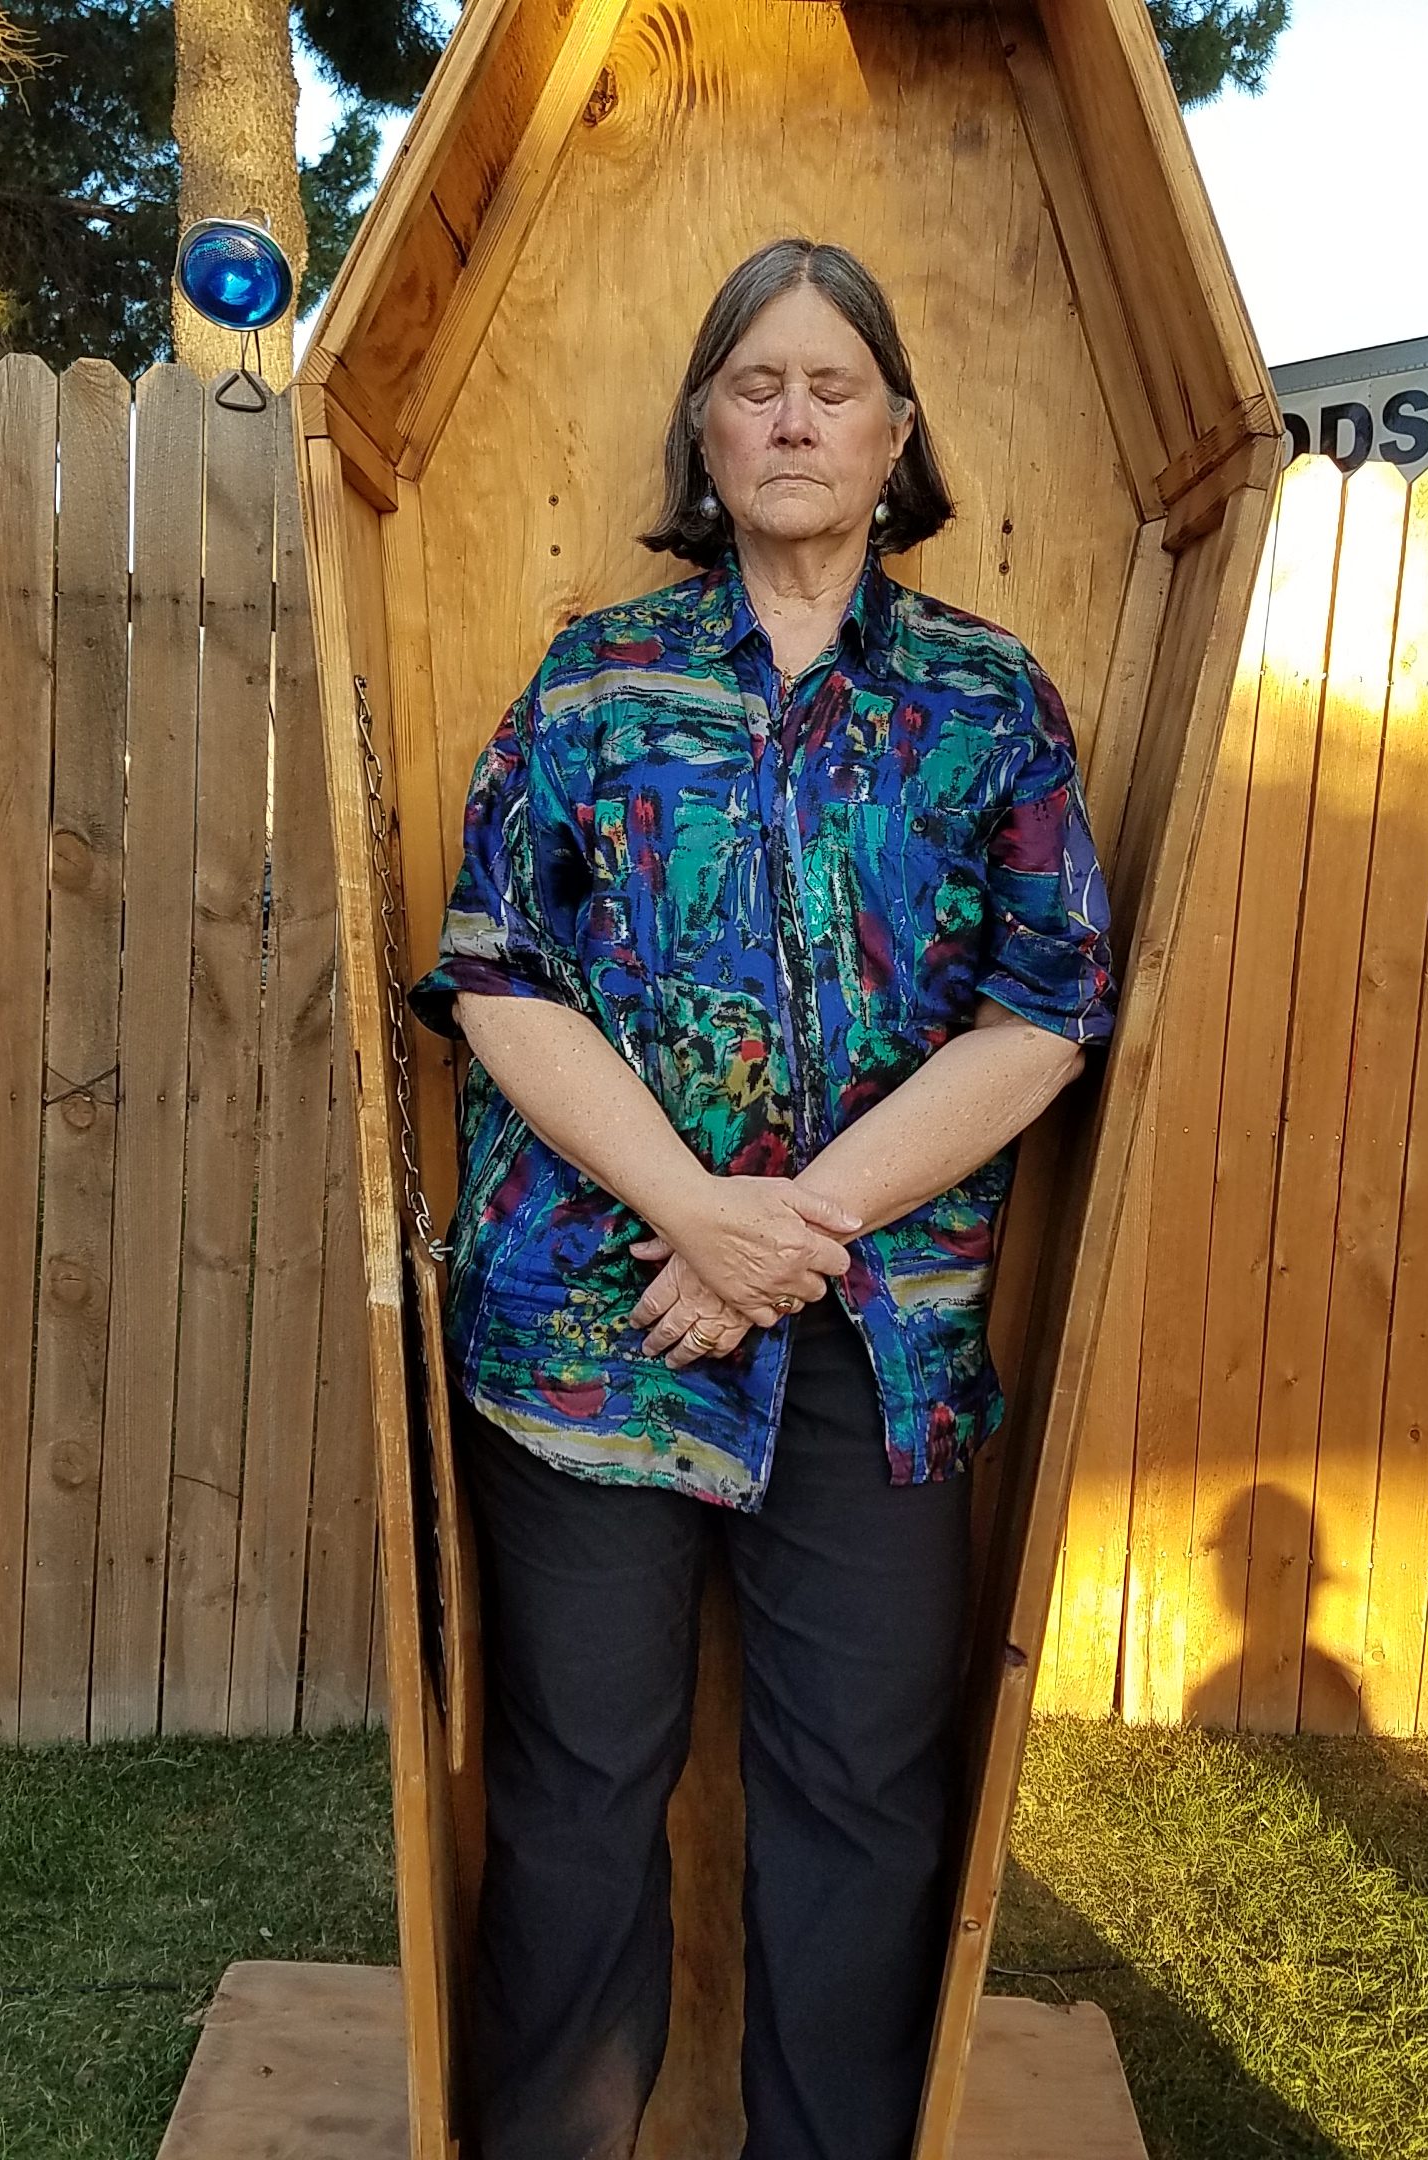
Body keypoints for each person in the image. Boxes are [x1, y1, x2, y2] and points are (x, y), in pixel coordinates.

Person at [407, 235, 1119, 2160]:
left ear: (897, 434)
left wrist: (781, 1231)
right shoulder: (593, 680)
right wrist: (694, 1216)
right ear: (703, 431)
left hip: (875, 1358)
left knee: (859, 1805)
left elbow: (1048, 1015)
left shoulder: (990, 700)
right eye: (754, 384)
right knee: (573, 1794)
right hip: (595, 1335)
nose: (793, 417)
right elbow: (493, 978)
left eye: (833, 385)